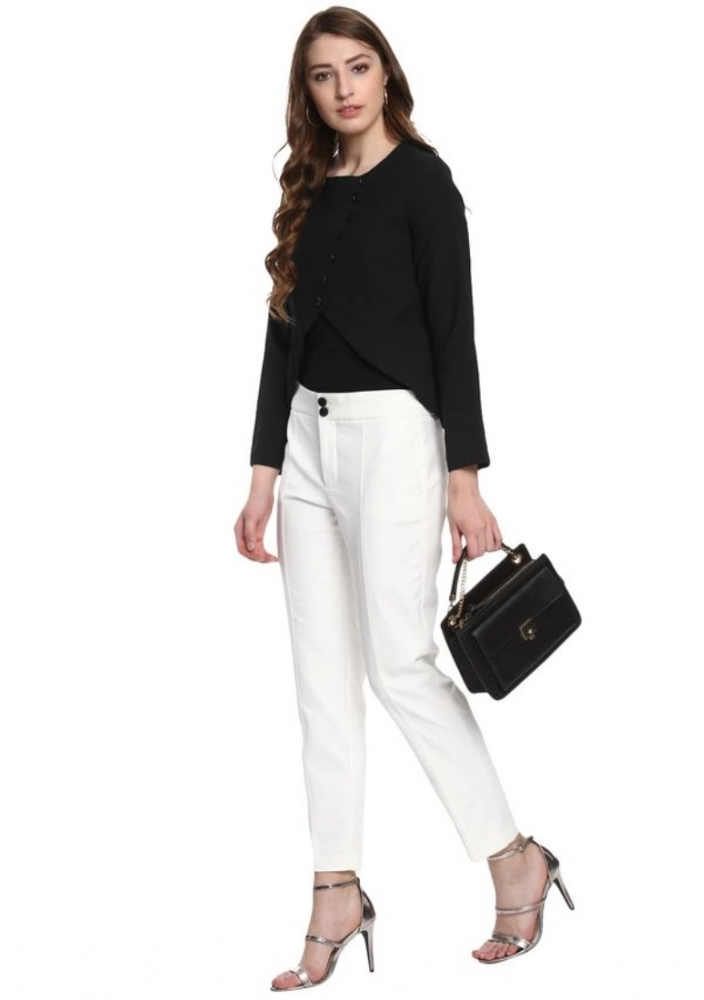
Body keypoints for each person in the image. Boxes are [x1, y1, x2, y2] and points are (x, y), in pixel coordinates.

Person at [234, 7, 574, 990]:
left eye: (358, 67)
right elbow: (281, 336)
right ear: (305, 93)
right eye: (322, 75)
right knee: (320, 682)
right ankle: (334, 888)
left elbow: (453, 333)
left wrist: (466, 478)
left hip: (396, 442)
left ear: (386, 75)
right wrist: (262, 471)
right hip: (306, 445)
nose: (343, 88)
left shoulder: (425, 183)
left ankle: (513, 855)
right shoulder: (307, 190)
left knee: (399, 664)